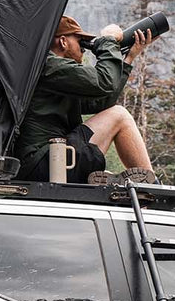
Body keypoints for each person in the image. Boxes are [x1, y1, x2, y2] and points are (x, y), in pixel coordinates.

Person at [14, 15, 156, 184]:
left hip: (48, 161)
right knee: (119, 115)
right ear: (63, 42)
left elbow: (102, 100)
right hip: (45, 162)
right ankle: (152, 188)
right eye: (80, 41)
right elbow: (103, 83)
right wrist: (108, 40)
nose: (84, 48)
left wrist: (128, 59)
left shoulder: (54, 75)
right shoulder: (48, 65)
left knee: (115, 113)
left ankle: (118, 181)